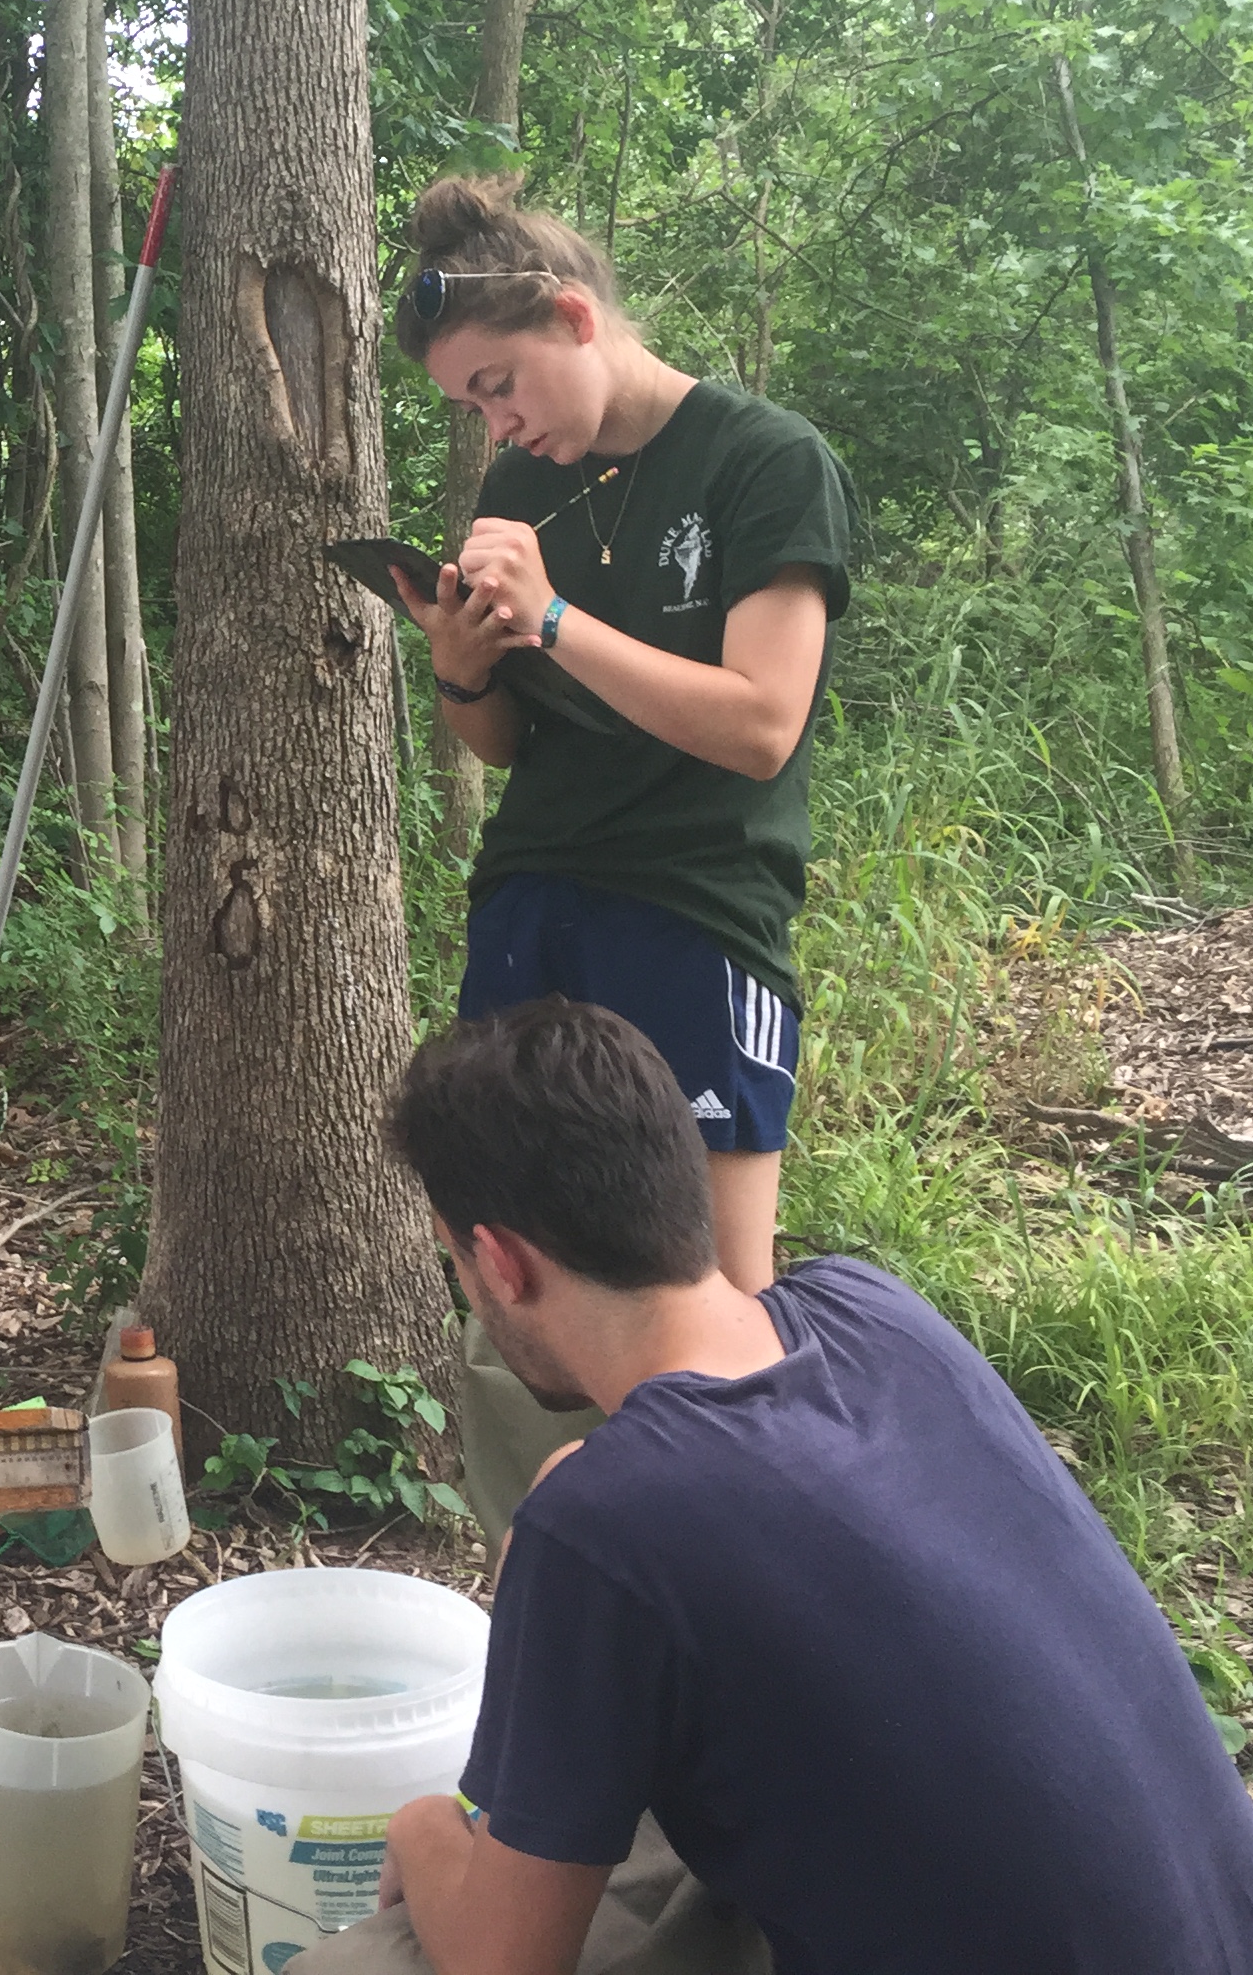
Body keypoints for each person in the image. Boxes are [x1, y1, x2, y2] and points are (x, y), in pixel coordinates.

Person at [300, 998, 1253, 1975]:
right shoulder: (871, 1310)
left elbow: (501, 1962)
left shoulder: (606, 1528)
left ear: (501, 1262)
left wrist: (422, 1825)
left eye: (456, 1265)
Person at [385, 172, 863, 1536]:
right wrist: (465, 669)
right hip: (535, 903)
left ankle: (732, 1593)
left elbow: (764, 725)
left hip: (696, 914)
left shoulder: (765, 463)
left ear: (576, 319)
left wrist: (548, 626)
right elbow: (508, 752)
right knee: (510, 1267)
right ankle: (539, 1582)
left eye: (499, 383)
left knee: (707, 1294)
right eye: (471, 406)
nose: (496, 421)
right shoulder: (525, 483)